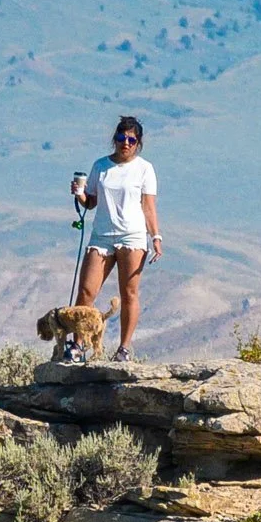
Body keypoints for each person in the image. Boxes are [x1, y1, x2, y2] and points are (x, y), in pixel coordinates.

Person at [72, 116, 161, 360]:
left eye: (132, 139)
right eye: (122, 138)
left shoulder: (145, 169)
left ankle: (124, 348)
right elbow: (91, 202)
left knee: (129, 292)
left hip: (132, 236)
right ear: (115, 139)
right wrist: (80, 195)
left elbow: (149, 206)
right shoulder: (101, 166)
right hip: (101, 236)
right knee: (86, 291)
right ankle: (78, 344)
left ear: (138, 143)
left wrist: (156, 236)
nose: (126, 143)